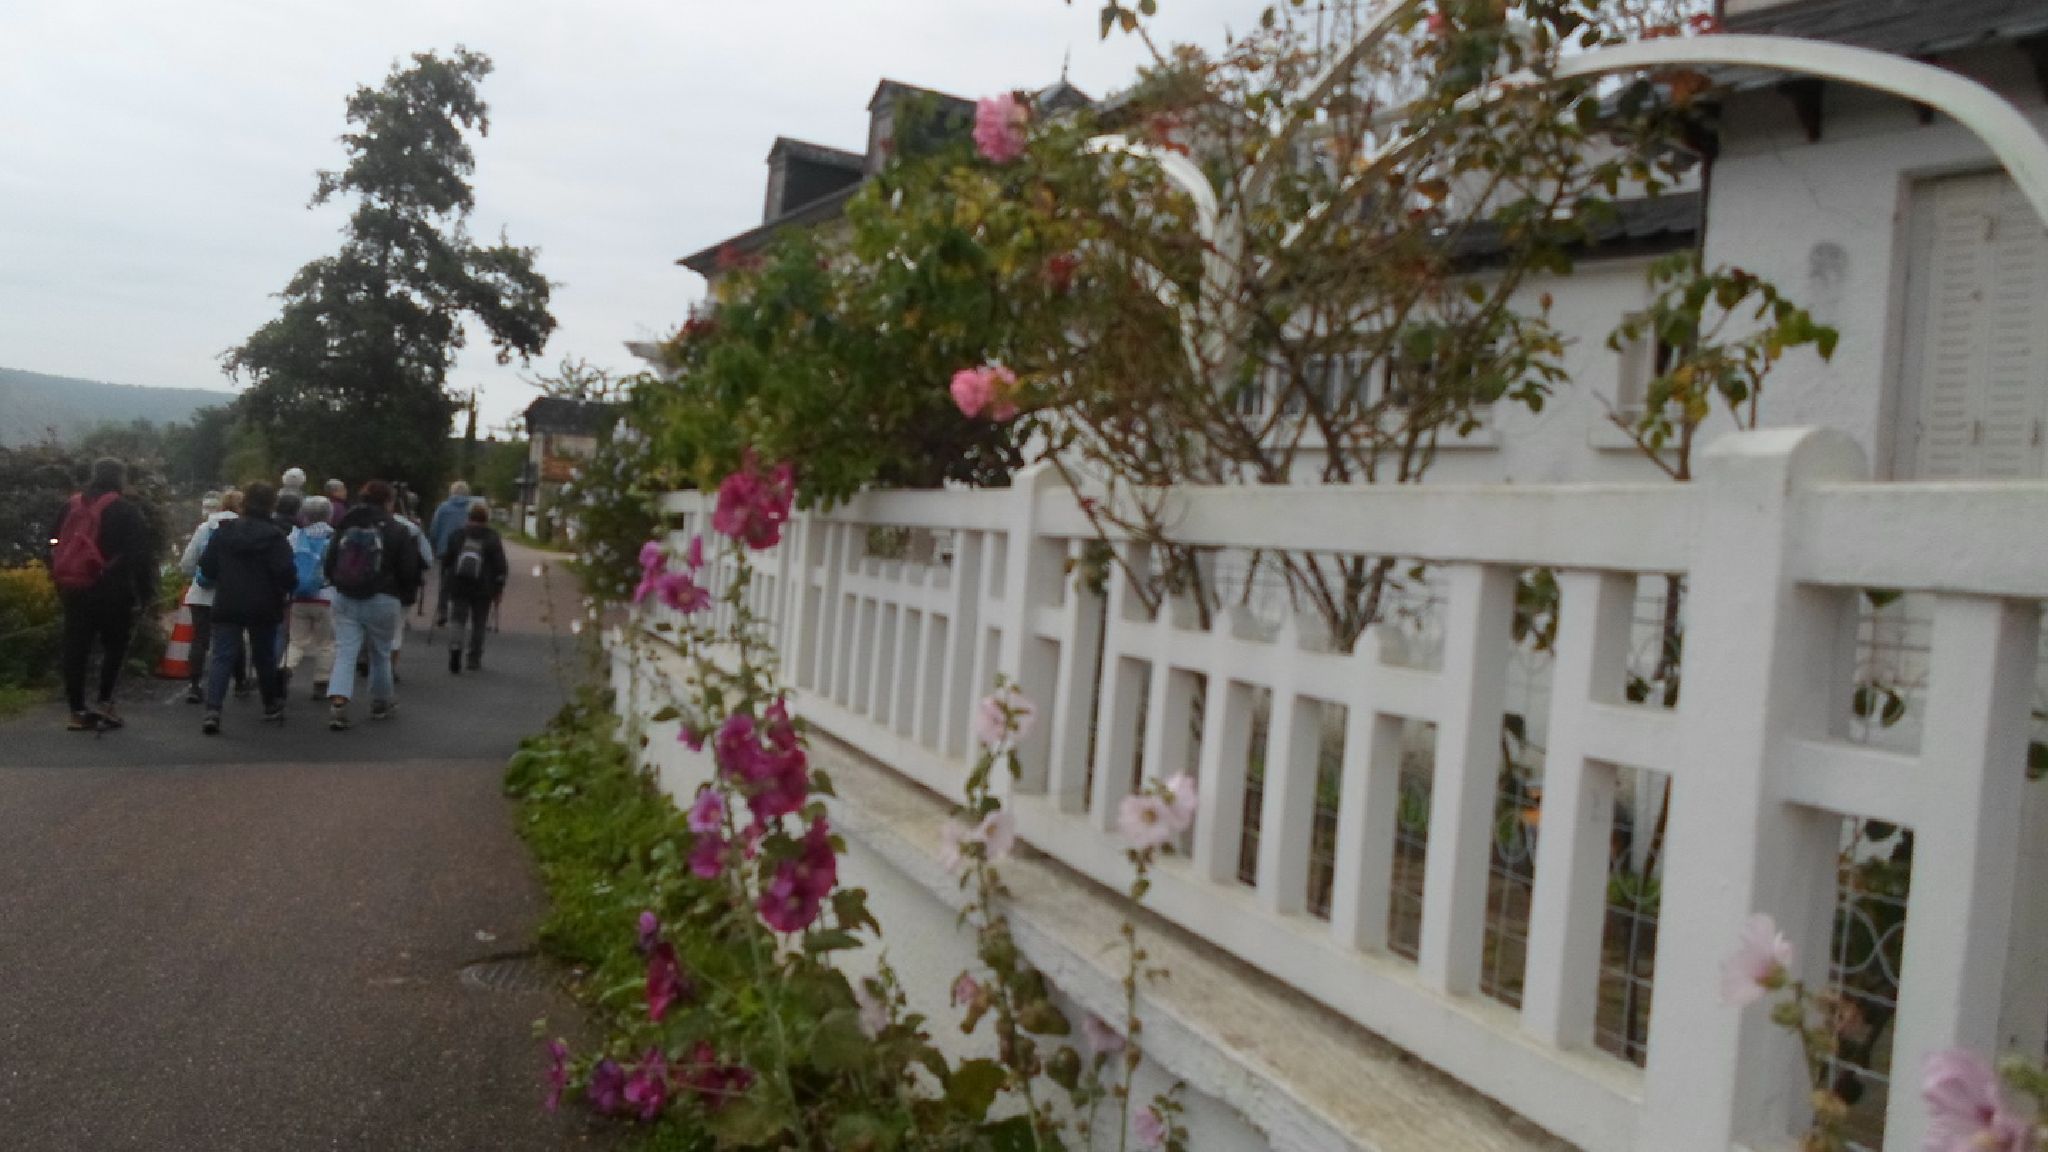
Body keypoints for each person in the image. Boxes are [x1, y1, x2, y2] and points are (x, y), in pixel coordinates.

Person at [51, 457, 156, 731]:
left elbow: (52, 540)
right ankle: (105, 702)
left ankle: (76, 710)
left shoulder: (70, 505)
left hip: (74, 588)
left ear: (94, 475)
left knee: (75, 647)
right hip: (113, 589)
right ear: (120, 478)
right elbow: (139, 556)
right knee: (114, 646)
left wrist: (60, 575)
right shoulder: (126, 510)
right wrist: (146, 594)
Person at [196, 483, 296, 734]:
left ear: (244, 502)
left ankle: (213, 709)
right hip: (264, 603)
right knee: (264, 655)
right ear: (271, 504)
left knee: (222, 655)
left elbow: (207, 566)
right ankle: (270, 703)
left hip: (228, 600)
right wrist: (288, 588)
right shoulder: (275, 536)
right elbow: (286, 572)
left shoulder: (224, 531)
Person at [324, 480, 422, 731]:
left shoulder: (347, 523)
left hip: (346, 595)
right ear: (389, 501)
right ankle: (380, 703)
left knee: (345, 651)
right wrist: (405, 595)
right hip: (384, 597)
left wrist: (336, 582)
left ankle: (339, 701)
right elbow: (409, 570)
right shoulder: (397, 529)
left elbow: (331, 559)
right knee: (381, 653)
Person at [178, 489, 244, 704]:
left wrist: (197, 575)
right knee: (233, 638)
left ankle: (194, 684)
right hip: (232, 594)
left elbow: (187, 563)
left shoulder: (205, 527)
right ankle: (240, 682)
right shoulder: (244, 529)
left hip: (200, 593)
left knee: (200, 639)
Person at [440, 501, 508, 673]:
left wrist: (446, 578)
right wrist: (499, 587)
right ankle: (473, 658)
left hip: (459, 585)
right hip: (483, 587)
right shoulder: (492, 537)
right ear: (486, 518)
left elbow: (447, 560)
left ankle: (455, 649)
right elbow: (500, 565)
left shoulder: (457, 535)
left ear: (468, 517)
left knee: (457, 620)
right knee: (479, 623)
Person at [285, 495, 337, 699]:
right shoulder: (334, 537)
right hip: (326, 596)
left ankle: (286, 668)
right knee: (326, 642)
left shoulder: (295, 537)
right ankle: (321, 682)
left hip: (299, 596)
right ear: (329, 515)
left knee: (296, 641)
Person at [387, 498, 435, 683]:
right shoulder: (411, 529)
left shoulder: (362, 522)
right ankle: (389, 667)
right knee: (396, 628)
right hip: (402, 586)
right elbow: (428, 559)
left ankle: (366, 658)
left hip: (367, 585)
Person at [427, 480, 473, 626]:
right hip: (467, 550)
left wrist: (434, 545)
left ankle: (442, 611)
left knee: (445, 582)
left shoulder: (443, 508)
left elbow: (434, 529)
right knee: (464, 581)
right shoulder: (471, 509)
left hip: (445, 550)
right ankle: (459, 613)